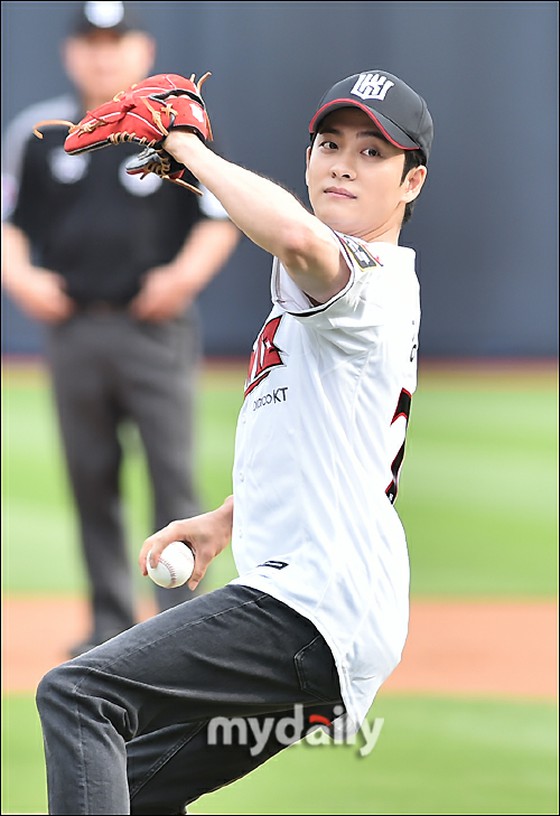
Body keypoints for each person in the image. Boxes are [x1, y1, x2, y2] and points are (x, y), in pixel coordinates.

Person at [35, 67, 433, 814]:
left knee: (79, 694)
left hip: (310, 606)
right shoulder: (353, 286)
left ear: (410, 183)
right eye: (329, 143)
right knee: (134, 788)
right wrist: (229, 519)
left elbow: (291, 234)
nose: (344, 161)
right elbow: (334, 445)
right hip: (330, 615)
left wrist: (184, 144)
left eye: (374, 153)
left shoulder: (363, 277)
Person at [1, 1, 241, 657]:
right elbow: (11, 224)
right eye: (91, 40)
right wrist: (22, 279)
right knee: (90, 477)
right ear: (70, 51)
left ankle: (181, 631)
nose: (103, 53)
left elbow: (219, 218)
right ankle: (109, 623)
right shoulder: (40, 133)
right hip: (75, 328)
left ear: (143, 49)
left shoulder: (173, 131)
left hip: (153, 331)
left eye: (117, 39)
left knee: (172, 477)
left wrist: (182, 279)